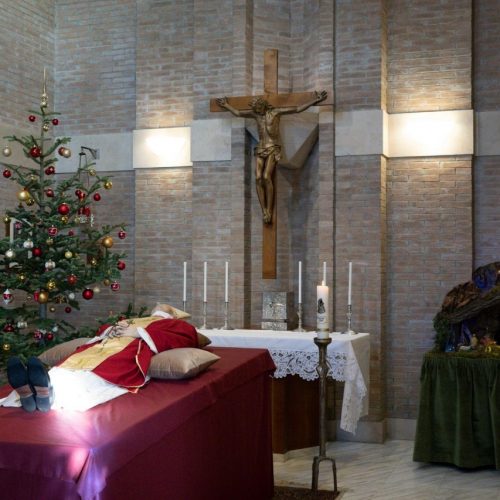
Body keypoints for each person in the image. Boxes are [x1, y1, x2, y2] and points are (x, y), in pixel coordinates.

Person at [1, 305, 199, 412]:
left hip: (129, 349)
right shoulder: (134, 319)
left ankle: (45, 394)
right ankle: (37, 390)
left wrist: (138, 332)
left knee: (97, 372)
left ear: (170, 314)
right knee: (69, 365)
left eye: (162, 306)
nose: (158, 307)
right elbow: (103, 329)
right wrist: (111, 330)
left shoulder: (176, 325)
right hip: (101, 346)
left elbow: (188, 337)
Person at [216, 90, 327, 224]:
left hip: (273, 147)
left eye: (258, 107)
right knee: (258, 177)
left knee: (266, 176)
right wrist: (226, 105)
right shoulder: (255, 115)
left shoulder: (275, 112)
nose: (256, 110)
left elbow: (297, 109)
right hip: (260, 148)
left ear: (263, 105)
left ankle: (269, 208)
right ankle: (265, 210)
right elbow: (238, 113)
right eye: (255, 108)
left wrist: (315, 100)